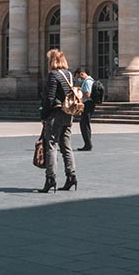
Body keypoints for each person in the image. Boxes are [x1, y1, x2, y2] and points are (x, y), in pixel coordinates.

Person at [38, 49, 78, 193]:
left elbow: (49, 98)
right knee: (66, 146)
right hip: (68, 113)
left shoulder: (53, 75)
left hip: (55, 113)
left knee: (51, 145)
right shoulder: (69, 75)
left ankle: (50, 179)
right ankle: (71, 176)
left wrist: (43, 115)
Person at [75, 67, 96, 151]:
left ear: (81, 73)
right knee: (85, 123)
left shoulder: (87, 82)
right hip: (89, 104)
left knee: (84, 124)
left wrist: (79, 95)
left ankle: (88, 144)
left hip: (88, 104)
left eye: (78, 77)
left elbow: (87, 94)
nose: (78, 79)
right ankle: (87, 143)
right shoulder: (90, 80)